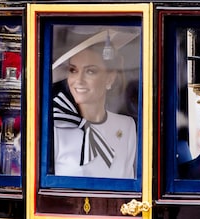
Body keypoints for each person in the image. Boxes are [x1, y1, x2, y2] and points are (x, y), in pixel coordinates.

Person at [52, 26, 139, 179]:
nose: (78, 81)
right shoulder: (56, 126)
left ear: (110, 78)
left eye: (90, 71)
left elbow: (128, 187)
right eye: (73, 70)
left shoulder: (126, 126)